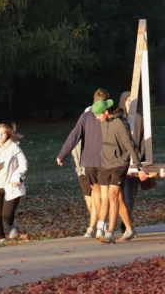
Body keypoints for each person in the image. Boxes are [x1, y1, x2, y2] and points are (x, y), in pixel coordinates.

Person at [56, 88, 109, 238]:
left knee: (96, 194)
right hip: (105, 160)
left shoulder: (85, 116)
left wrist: (62, 154)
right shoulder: (107, 115)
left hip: (89, 161)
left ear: (93, 101)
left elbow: (74, 135)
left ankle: (99, 225)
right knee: (104, 195)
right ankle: (101, 225)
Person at [96, 97, 142, 243]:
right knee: (119, 198)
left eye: (98, 115)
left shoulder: (121, 123)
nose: (97, 118)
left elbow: (130, 145)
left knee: (113, 196)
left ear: (106, 111)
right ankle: (130, 229)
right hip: (106, 163)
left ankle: (110, 232)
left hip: (120, 163)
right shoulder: (104, 123)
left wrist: (139, 167)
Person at [118, 90, 156, 235]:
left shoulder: (139, 119)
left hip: (135, 161)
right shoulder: (118, 119)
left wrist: (143, 162)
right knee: (118, 193)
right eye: (127, 99)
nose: (129, 101)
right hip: (119, 161)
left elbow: (143, 141)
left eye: (132, 99)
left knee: (130, 194)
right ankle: (126, 217)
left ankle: (127, 220)